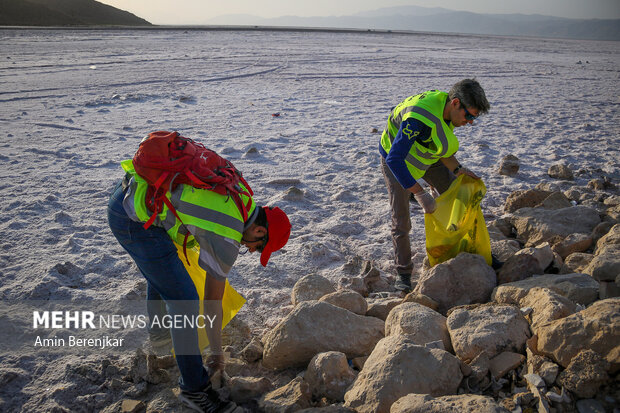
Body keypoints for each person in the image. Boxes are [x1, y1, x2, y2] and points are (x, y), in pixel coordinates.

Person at [107, 150, 291, 413]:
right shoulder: (230, 233)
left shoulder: (242, 195)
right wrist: (216, 356)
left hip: (129, 191)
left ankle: (161, 344)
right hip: (132, 218)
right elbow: (211, 301)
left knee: (167, 274)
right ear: (259, 230)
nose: (251, 251)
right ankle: (194, 389)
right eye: (258, 246)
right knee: (185, 301)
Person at [379, 78, 490, 292]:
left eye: (474, 118)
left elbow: (440, 146)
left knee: (461, 197)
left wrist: (458, 170)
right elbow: (395, 159)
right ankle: (403, 273)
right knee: (401, 220)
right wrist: (420, 194)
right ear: (456, 103)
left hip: (427, 157)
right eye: (469, 116)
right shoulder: (419, 118)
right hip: (396, 161)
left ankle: (473, 252)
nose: (470, 122)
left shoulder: (448, 110)